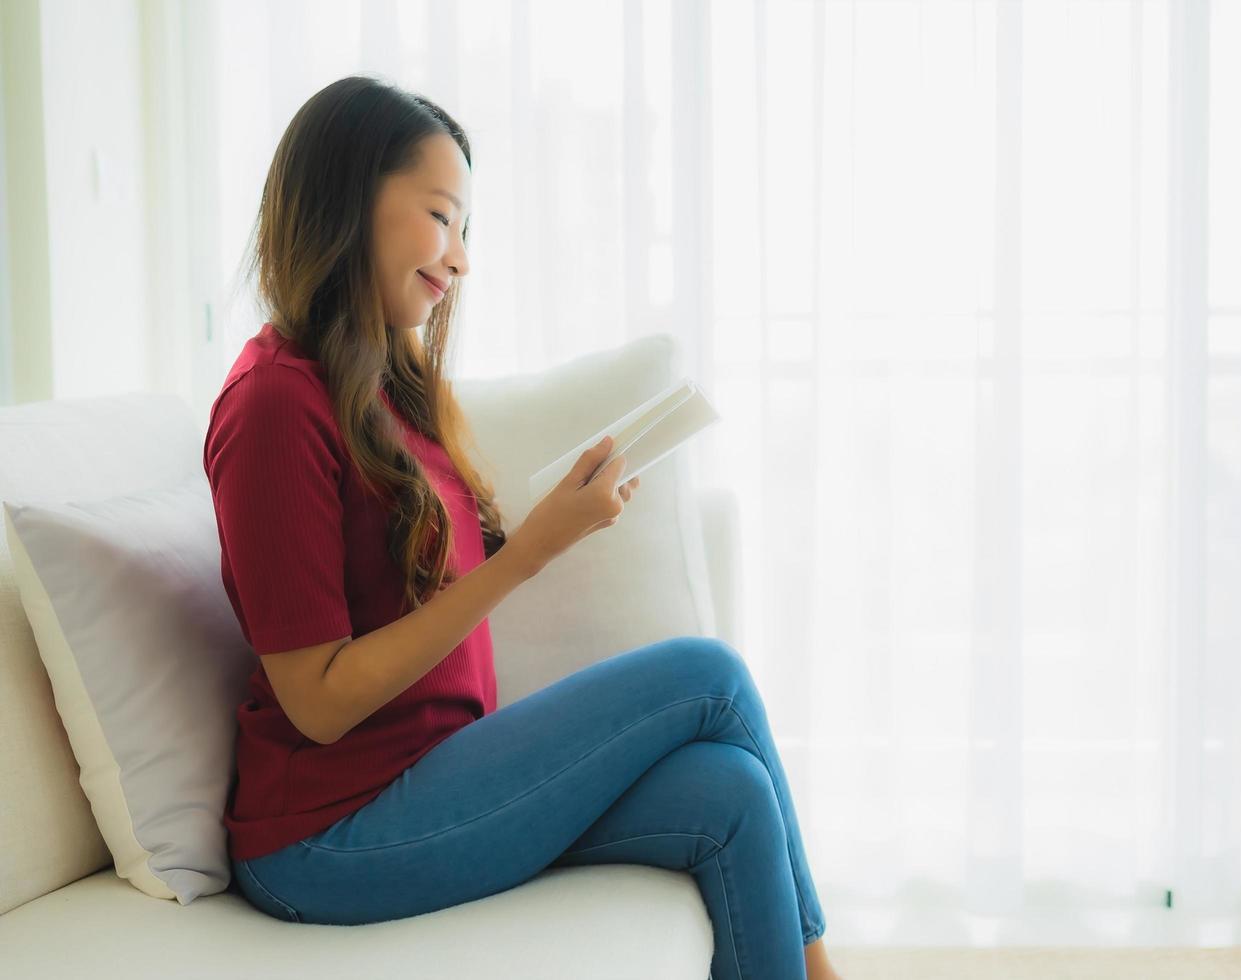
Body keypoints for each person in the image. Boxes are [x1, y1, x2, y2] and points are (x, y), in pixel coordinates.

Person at [202, 74, 837, 980]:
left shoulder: (382, 383)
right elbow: (319, 697)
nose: (459, 258)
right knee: (711, 675)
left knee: (731, 793)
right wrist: (531, 557)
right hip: (325, 836)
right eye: (440, 216)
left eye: (466, 230)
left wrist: (553, 523)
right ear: (351, 196)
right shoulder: (273, 403)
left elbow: (407, 581)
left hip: (435, 773)